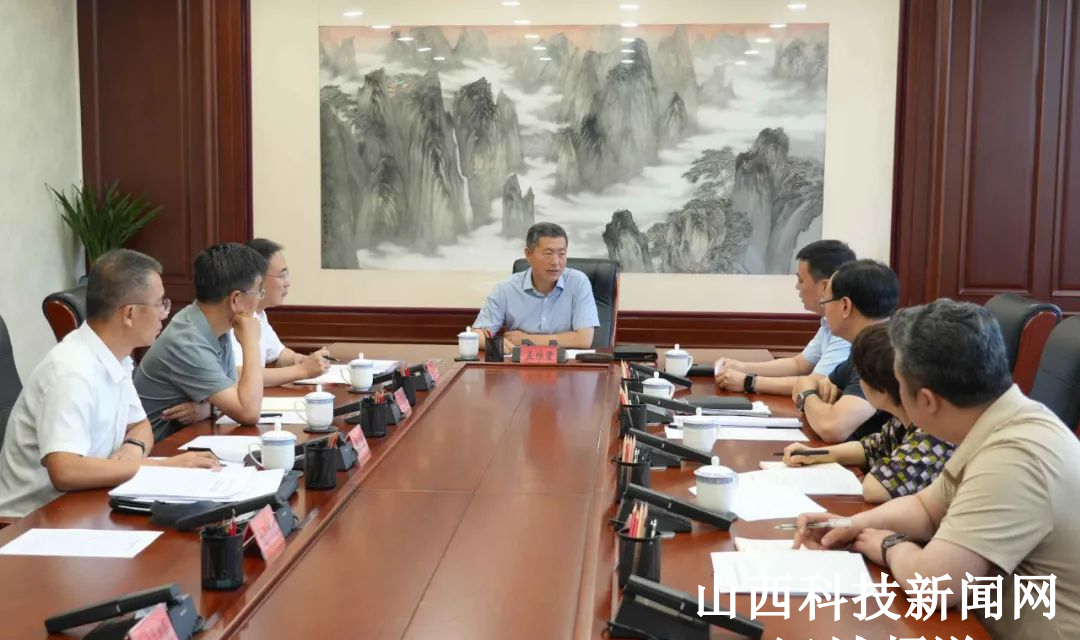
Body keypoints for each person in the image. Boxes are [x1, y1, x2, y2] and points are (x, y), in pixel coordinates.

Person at [794, 299, 1080, 640]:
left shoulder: (1015, 455)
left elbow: (935, 586)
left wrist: (889, 545)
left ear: (926, 400)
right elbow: (926, 508)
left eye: (900, 385)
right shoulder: (999, 420)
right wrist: (850, 525)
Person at [0, 250, 218, 518]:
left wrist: (133, 449)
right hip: (31, 521)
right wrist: (160, 467)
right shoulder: (71, 371)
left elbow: (140, 426)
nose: (165, 313)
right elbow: (65, 470)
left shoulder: (116, 357)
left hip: (88, 502)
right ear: (129, 313)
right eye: (160, 303)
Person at [781, 323, 954, 503]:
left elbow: (877, 489)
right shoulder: (903, 417)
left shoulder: (933, 432)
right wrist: (815, 454)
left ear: (881, 389)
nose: (859, 383)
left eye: (861, 376)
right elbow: (870, 448)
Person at [134, 243, 267, 439]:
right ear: (236, 299)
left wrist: (209, 409)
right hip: (156, 450)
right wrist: (251, 343)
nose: (259, 300)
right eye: (258, 292)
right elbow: (249, 412)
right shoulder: (187, 340)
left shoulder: (214, 325)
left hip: (185, 439)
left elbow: (236, 392)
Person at [716, 240, 856, 395]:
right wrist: (741, 367)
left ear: (825, 286)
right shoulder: (828, 322)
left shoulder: (846, 329)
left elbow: (816, 383)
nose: (797, 286)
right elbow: (799, 364)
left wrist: (748, 382)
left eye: (801, 280)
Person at [792, 259, 899, 442]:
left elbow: (831, 427)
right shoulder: (863, 348)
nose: (824, 308)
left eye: (825, 300)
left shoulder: (883, 354)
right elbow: (820, 387)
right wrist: (809, 387)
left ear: (845, 306)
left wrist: (806, 392)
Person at [472, 222, 599, 351]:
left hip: (566, 362)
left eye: (562, 254)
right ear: (528, 254)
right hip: (520, 362)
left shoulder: (578, 282)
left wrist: (526, 339)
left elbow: (584, 339)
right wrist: (494, 344)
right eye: (548, 253)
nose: (556, 262)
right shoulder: (506, 289)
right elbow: (477, 335)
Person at [229, 238, 329, 386]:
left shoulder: (259, 314)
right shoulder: (234, 316)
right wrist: (302, 370)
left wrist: (302, 359)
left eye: (287, 274)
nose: (288, 283)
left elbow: (278, 354)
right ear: (258, 279)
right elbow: (239, 374)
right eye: (282, 276)